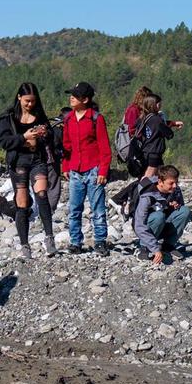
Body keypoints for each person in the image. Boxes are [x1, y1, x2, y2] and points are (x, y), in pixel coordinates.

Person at [0, 82, 59, 258]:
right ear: (19, 98)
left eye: (33, 101)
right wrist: (23, 137)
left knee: (42, 194)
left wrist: (45, 133)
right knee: (22, 203)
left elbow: (51, 137)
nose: (30, 104)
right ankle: (25, 245)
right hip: (18, 162)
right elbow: (4, 141)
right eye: (27, 101)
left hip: (37, 160)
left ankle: (49, 238)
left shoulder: (39, 115)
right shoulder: (8, 118)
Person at [60, 81, 112, 256]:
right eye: (71, 95)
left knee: (98, 209)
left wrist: (103, 171)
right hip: (75, 170)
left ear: (86, 99)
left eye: (76, 96)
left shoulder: (96, 119)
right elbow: (66, 145)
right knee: (74, 209)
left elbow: (105, 147)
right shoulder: (68, 119)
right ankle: (75, 242)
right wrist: (65, 166)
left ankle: (100, 241)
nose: (71, 98)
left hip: (94, 169)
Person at [132, 166, 192, 265]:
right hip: (147, 228)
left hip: (164, 224)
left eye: (176, 182)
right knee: (158, 216)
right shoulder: (147, 196)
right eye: (171, 183)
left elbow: (180, 209)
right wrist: (155, 249)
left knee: (185, 211)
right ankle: (144, 247)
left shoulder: (175, 190)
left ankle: (168, 246)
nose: (175, 186)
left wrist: (174, 206)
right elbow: (139, 225)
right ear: (160, 182)